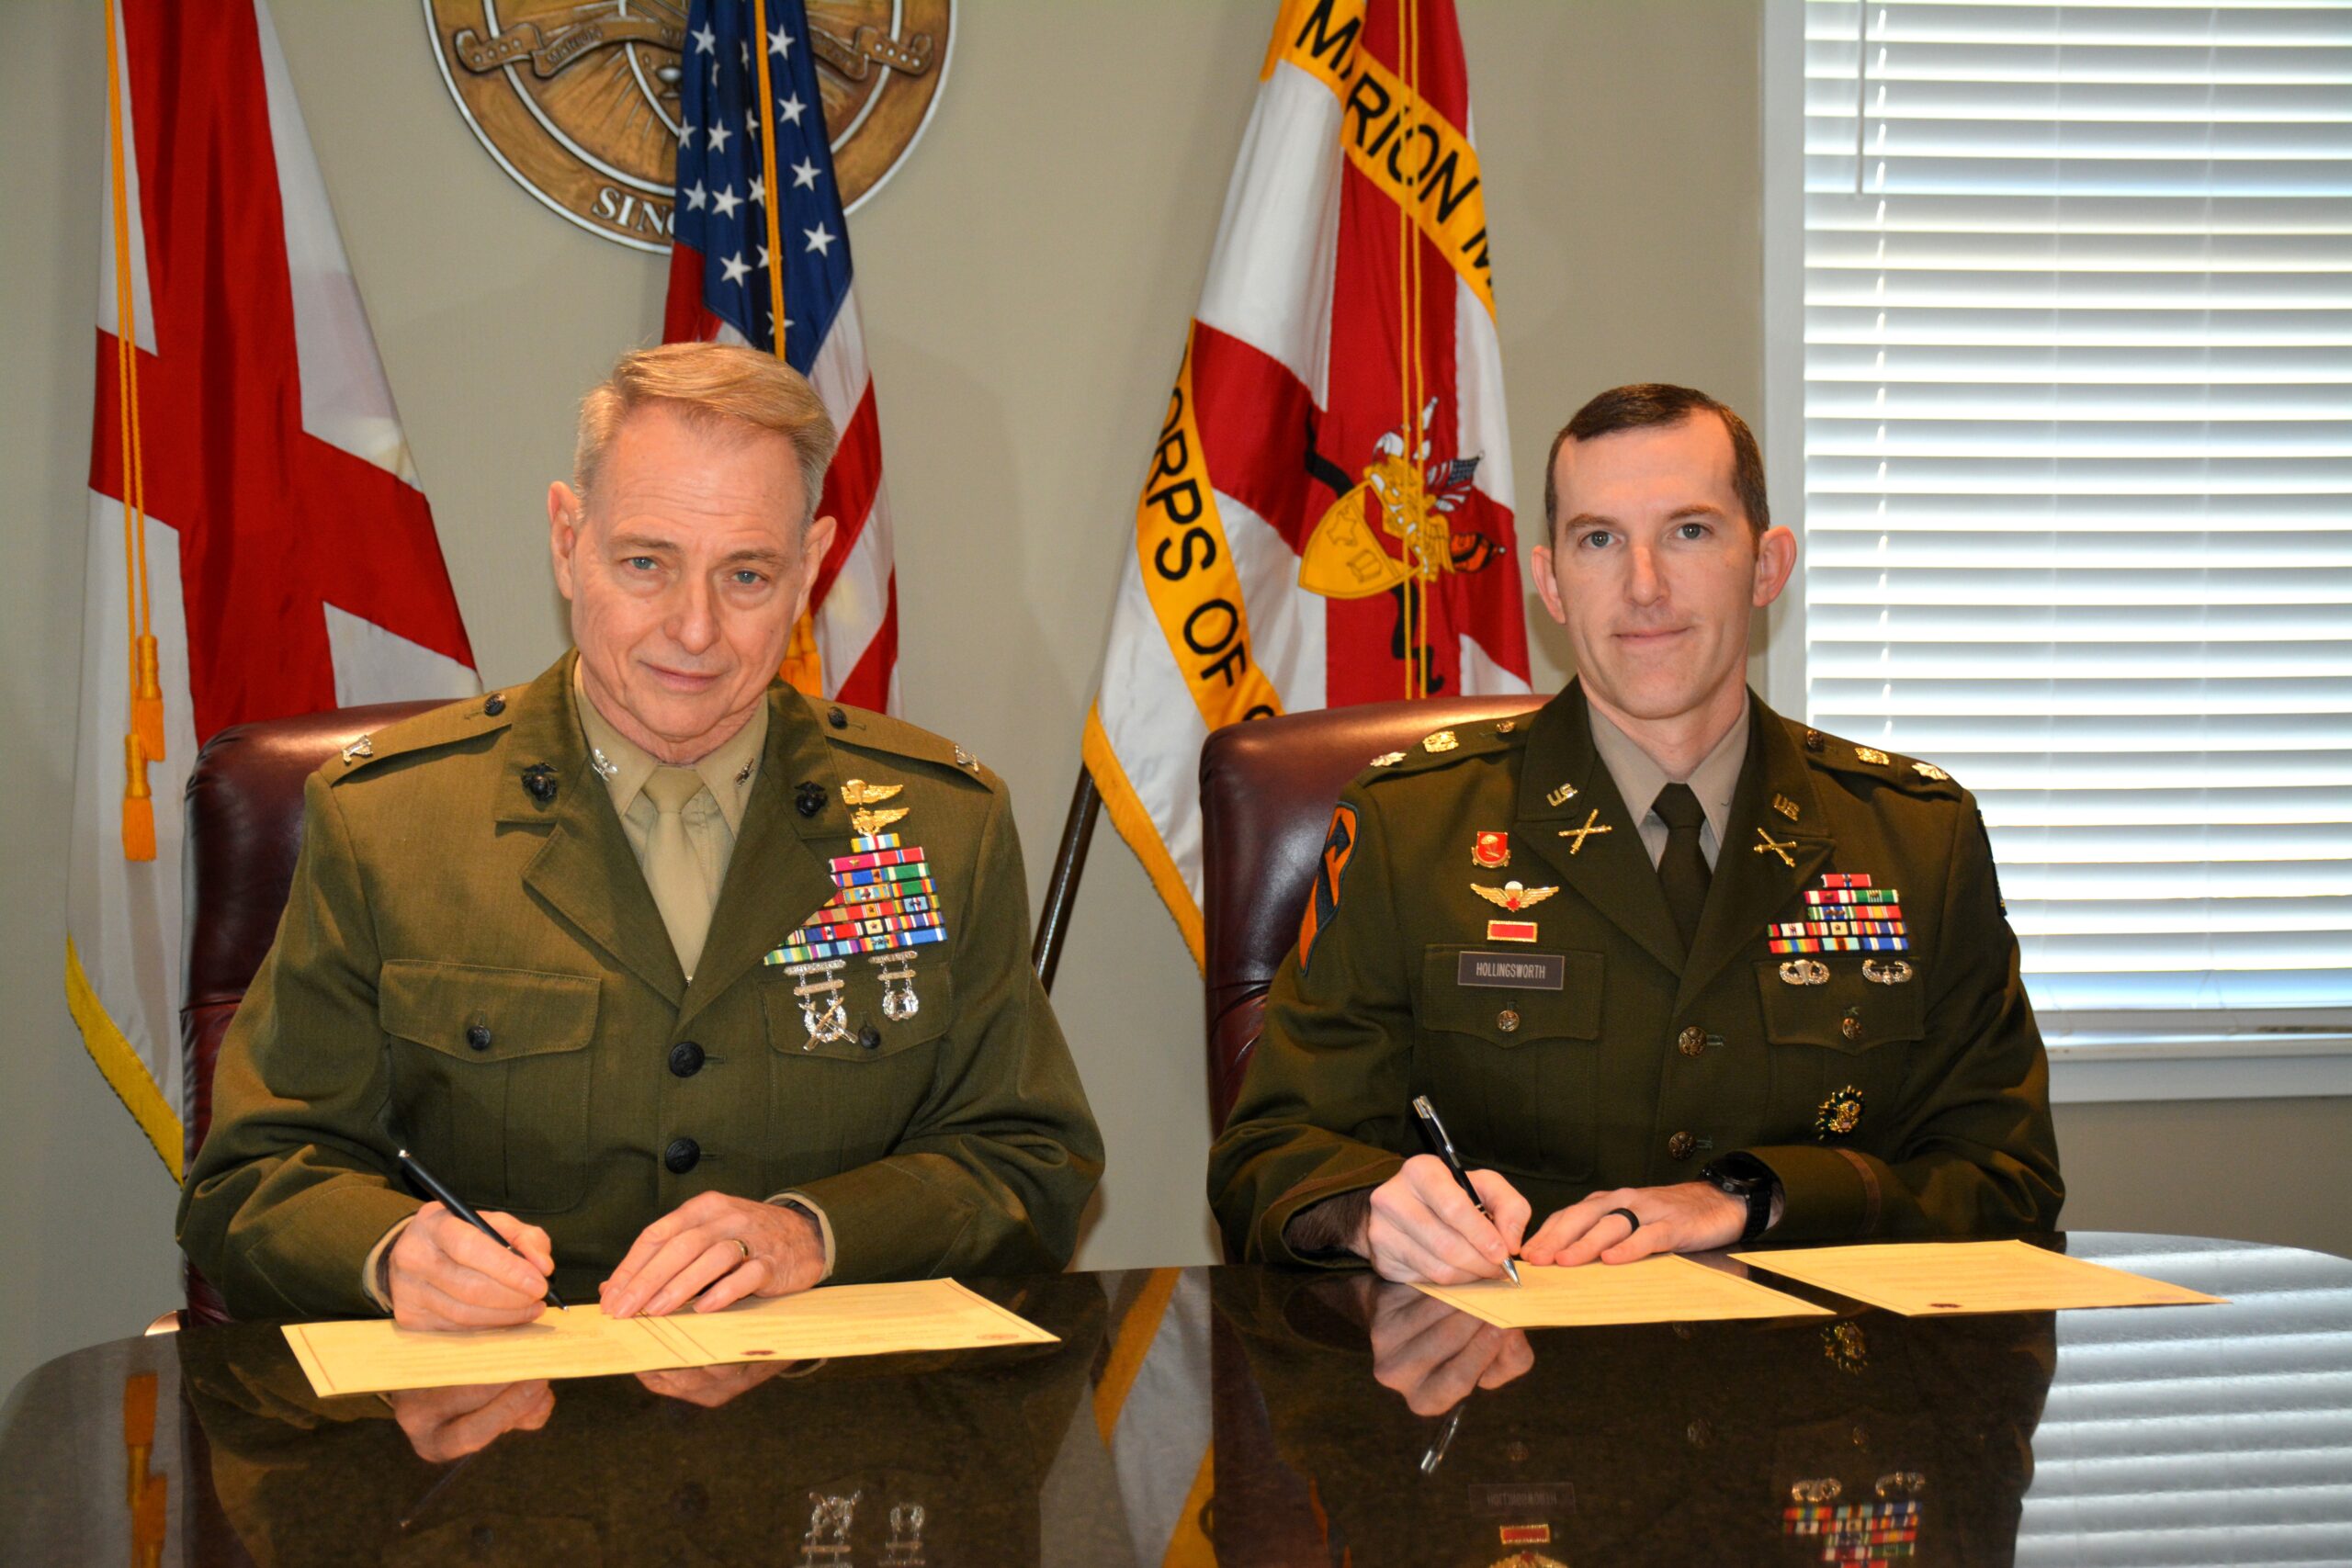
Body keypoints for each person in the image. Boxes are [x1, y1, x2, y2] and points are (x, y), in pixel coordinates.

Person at [179, 343, 1102, 1325]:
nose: (694, 629)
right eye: (646, 564)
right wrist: (393, 1252)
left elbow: (1029, 1159)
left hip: (826, 1406)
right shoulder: (390, 823)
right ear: (567, 541)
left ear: (810, 568)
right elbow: (253, 1179)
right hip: (504, 1403)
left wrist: (816, 1233)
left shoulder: (941, 824)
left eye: (746, 574)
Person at [1207, 383, 2061, 1282]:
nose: (1644, 587)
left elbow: (2006, 1181)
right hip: (1510, 1358)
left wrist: (1757, 1200)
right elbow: (1268, 1155)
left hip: (1817, 1366)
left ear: (1766, 566)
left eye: (1689, 531)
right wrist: (1365, 1209)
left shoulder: (1916, 838)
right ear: (1550, 584)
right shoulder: (1410, 826)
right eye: (1599, 540)